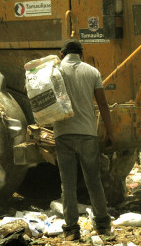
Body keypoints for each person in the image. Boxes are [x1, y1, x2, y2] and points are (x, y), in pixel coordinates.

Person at [54, 39, 114, 240]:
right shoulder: (92, 72)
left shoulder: (55, 70)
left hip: (63, 133)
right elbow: (103, 104)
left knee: (68, 184)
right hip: (88, 134)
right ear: (82, 54)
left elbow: (33, 92)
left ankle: (71, 230)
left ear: (62, 54)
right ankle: (103, 225)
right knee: (93, 181)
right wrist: (111, 132)